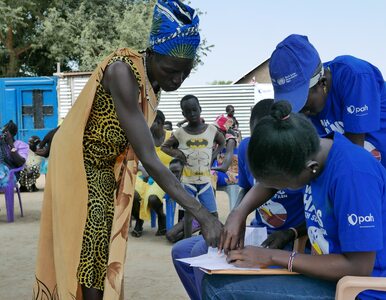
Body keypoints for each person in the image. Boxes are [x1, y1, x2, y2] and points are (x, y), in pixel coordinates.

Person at [33, 2, 223, 300]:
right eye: (172, 70)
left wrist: (52, 136)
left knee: (100, 243)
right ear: (152, 53)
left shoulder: (152, 80)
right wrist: (204, 214)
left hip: (105, 164)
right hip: (83, 163)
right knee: (93, 241)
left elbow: (92, 114)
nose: (178, 80)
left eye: (185, 73)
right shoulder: (123, 72)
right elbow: (148, 156)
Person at [203, 101, 386, 300]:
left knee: (219, 289)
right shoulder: (310, 150)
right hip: (323, 272)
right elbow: (269, 182)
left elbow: (359, 268)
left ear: (311, 168)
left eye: (284, 185)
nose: (279, 189)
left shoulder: (353, 176)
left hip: (359, 289)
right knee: (210, 271)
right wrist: (239, 212)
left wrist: (273, 257)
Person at [171, 99, 305, 300]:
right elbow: (246, 189)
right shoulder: (246, 149)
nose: (259, 145)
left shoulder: (298, 156)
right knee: (181, 251)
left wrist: (291, 233)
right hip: (259, 231)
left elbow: (317, 218)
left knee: (203, 252)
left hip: (285, 239)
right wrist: (238, 214)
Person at [269, 34, 386, 167]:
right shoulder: (314, 103)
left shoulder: (354, 76)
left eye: (303, 104)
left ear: (322, 83)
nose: (302, 112)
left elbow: (353, 154)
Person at [161, 94, 225, 221]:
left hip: (205, 181)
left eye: (194, 109)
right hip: (187, 181)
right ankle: (187, 239)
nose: (192, 114)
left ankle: (209, 238)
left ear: (200, 109)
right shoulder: (180, 133)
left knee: (213, 214)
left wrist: (213, 155)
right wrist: (179, 154)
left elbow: (222, 142)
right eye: (188, 111)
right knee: (187, 216)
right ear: (183, 114)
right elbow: (164, 147)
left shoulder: (211, 130)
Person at [131, 110, 173, 237]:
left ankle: (161, 216)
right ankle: (139, 220)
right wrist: (142, 170)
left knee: (152, 198)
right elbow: (135, 159)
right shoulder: (144, 137)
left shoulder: (172, 137)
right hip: (144, 173)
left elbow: (178, 159)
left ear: (159, 123)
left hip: (163, 176)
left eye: (150, 122)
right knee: (132, 193)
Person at [0, 120, 29, 188]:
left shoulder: (21, 145)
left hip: (12, 174)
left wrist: (11, 145)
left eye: (5, 133)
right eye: (2, 132)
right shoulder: (1, 144)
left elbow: (20, 163)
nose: (3, 135)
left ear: (12, 135)